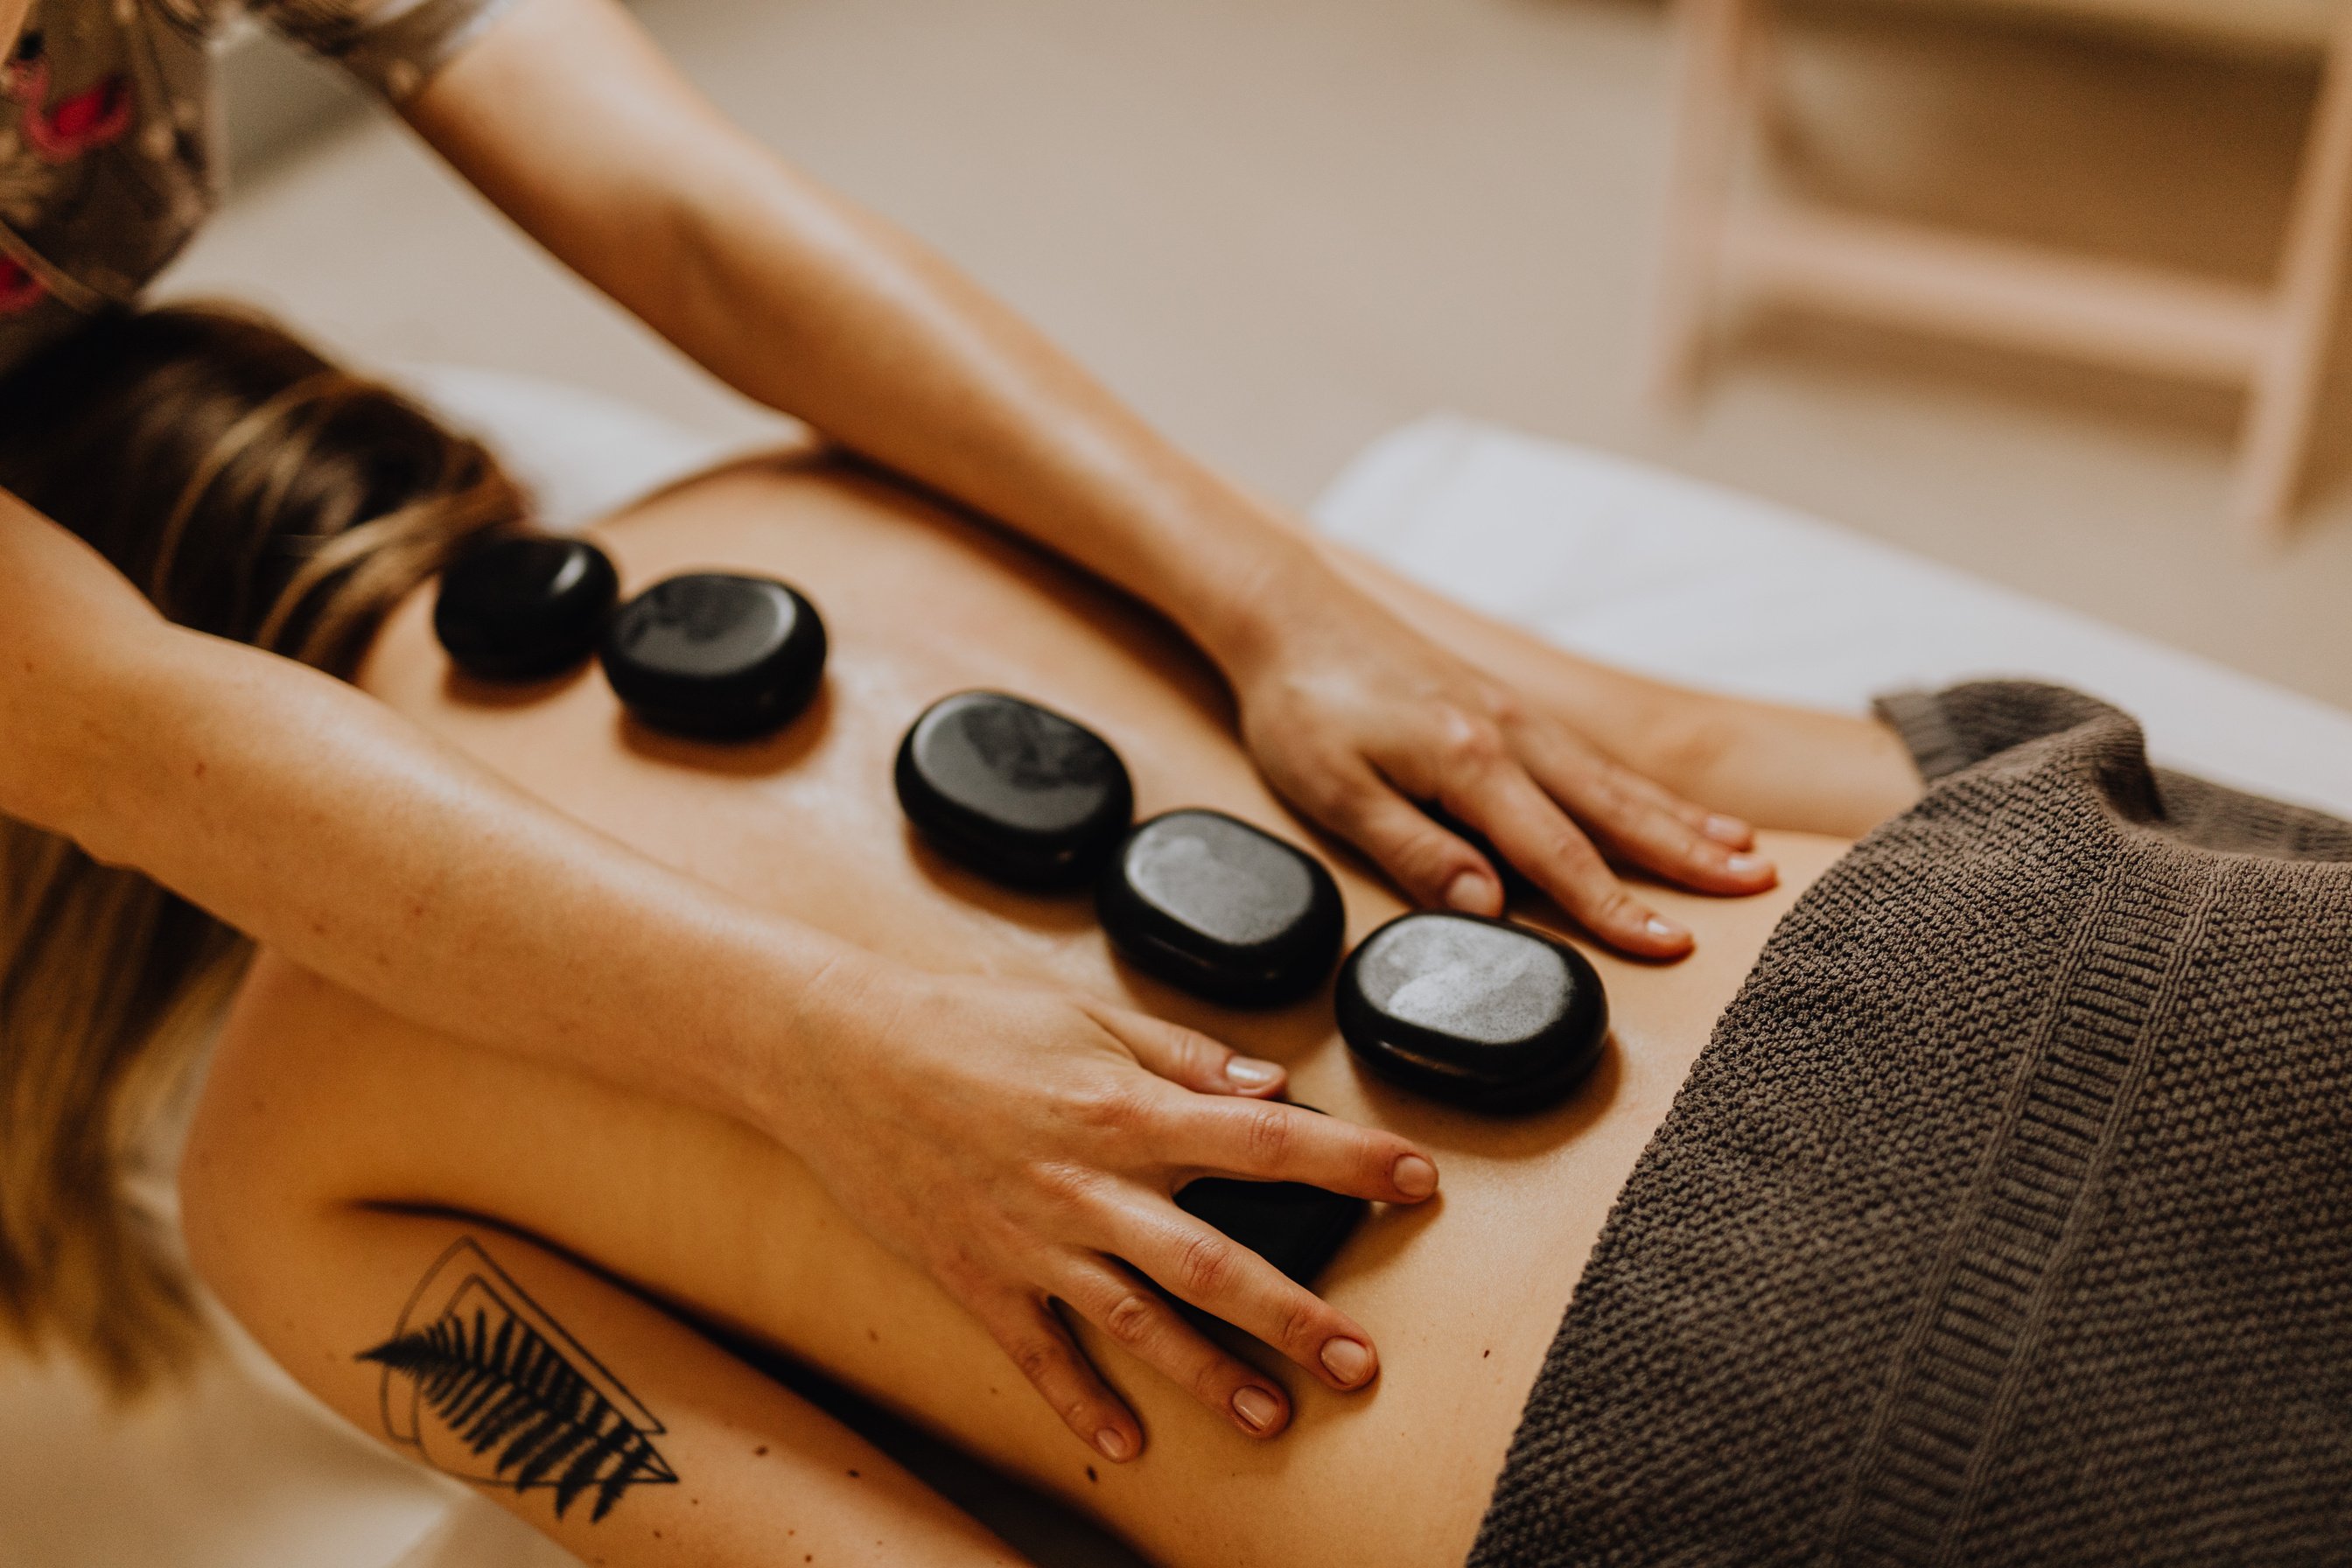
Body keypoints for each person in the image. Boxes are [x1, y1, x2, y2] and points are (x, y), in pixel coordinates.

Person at [0, 0, 1781, 1436]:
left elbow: (687, 214)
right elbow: (123, 732)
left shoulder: (280, 1187)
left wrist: (1282, 608)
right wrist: (826, 1049)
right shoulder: (283, 1172)